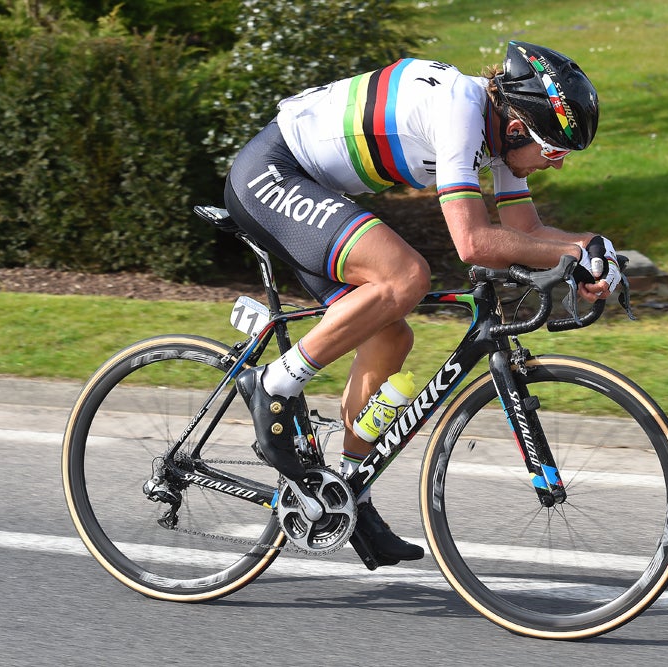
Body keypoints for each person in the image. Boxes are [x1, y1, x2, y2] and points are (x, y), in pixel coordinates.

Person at [224, 40, 622, 568]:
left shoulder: (499, 132)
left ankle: (348, 492)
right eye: (554, 152)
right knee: (406, 276)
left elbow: (526, 230)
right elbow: (473, 242)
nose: (558, 166)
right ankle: (274, 382)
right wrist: (572, 256)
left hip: (312, 190)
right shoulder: (460, 110)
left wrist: (591, 247)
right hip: (271, 174)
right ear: (520, 126)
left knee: (392, 335)